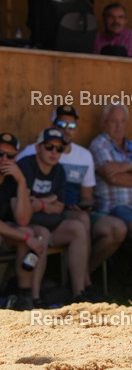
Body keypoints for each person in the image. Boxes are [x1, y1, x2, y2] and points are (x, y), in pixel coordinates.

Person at [18, 105, 124, 299]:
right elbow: (20, 196)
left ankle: (79, 290)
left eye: (72, 125)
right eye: (61, 124)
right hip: (38, 218)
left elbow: (85, 196)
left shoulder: (78, 158)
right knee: (74, 223)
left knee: (104, 225)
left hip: (65, 213)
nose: (67, 129)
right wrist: (48, 203)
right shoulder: (29, 156)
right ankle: (81, 285)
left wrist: (82, 205)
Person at [18, 128, 91, 302]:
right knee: (41, 235)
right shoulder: (26, 166)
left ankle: (79, 294)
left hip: (52, 224)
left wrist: (41, 203)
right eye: (49, 147)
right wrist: (49, 201)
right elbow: (26, 208)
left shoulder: (59, 170)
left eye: (59, 149)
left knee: (78, 228)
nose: (54, 152)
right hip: (27, 225)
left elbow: (59, 207)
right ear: (38, 148)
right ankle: (34, 298)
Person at [90, 103, 132, 240]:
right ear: (104, 122)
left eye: (122, 121)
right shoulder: (100, 144)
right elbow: (113, 178)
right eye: (114, 121)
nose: (119, 126)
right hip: (116, 207)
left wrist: (129, 166)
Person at [0, 132, 52, 310]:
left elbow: (23, 220)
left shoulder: (12, 179)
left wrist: (22, 182)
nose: (4, 159)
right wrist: (26, 238)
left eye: (10, 156)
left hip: (5, 234)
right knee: (27, 236)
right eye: (0, 154)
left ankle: (26, 296)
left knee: (35, 233)